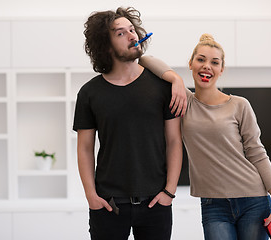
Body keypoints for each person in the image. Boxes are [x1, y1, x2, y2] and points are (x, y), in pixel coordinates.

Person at [139, 33, 271, 240]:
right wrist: (175, 78)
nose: (207, 66)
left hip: (253, 200)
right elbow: (145, 59)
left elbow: (257, 153)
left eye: (214, 62)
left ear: (221, 70)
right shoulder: (184, 102)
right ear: (190, 64)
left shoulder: (239, 105)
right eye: (201, 60)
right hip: (213, 205)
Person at [73, 7, 183, 240]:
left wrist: (169, 192)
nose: (133, 36)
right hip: (108, 204)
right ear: (106, 44)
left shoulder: (162, 86)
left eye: (132, 29)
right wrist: (90, 196)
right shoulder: (89, 93)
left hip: (156, 203)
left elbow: (174, 141)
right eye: (121, 33)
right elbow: (84, 148)